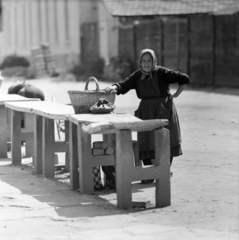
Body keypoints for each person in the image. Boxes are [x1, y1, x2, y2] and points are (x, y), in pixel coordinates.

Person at [105, 48, 190, 184]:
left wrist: (176, 95)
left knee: (166, 139)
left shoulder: (163, 73)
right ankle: (150, 173)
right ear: (140, 62)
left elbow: (184, 78)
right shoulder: (137, 76)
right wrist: (114, 87)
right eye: (143, 61)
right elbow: (124, 85)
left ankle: (164, 170)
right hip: (146, 111)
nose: (146, 64)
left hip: (164, 109)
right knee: (146, 141)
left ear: (154, 61)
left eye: (149, 61)